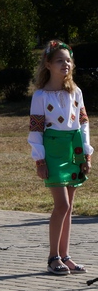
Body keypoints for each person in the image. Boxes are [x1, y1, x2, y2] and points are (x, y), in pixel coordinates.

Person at [28, 40, 93, 275]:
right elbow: (36, 130)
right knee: (61, 204)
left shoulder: (76, 92)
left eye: (68, 60)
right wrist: (40, 160)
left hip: (73, 148)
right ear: (48, 64)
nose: (65, 63)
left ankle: (65, 255)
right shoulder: (41, 96)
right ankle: (52, 256)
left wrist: (86, 153)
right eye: (59, 60)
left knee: (70, 205)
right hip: (53, 150)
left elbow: (83, 123)